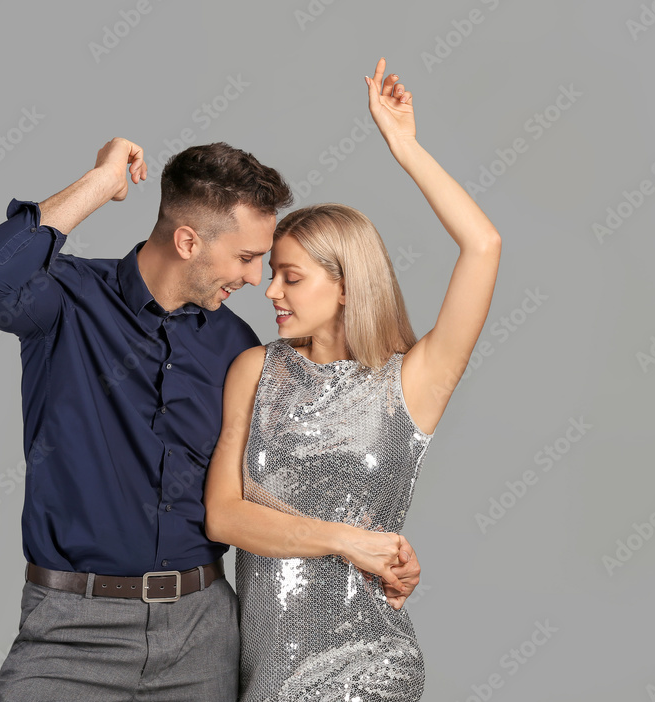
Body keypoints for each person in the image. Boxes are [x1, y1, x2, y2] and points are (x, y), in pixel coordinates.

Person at [0, 133, 424, 699]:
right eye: (248, 258)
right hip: (69, 633)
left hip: (203, 641)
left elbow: (289, 482)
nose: (256, 280)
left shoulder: (239, 347)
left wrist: (379, 548)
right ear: (187, 240)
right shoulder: (66, 301)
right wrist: (100, 184)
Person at [203, 57, 502, 700]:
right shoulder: (253, 370)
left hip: (365, 666)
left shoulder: (411, 382)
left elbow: (483, 246)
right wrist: (347, 542)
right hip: (263, 675)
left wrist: (405, 146)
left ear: (344, 286)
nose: (270, 291)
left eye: (291, 276)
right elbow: (224, 517)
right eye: (271, 271)